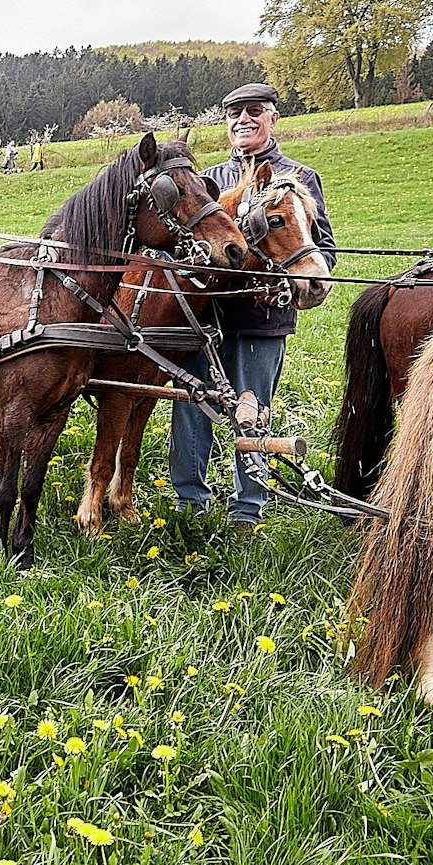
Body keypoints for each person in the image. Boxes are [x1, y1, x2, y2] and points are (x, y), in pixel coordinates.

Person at [168, 82, 336, 530]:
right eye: (234, 113)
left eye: (254, 111)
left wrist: (285, 286)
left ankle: (248, 511)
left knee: (253, 410)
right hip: (205, 321)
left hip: (263, 320)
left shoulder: (300, 177)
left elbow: (322, 252)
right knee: (191, 406)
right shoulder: (210, 182)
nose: (244, 119)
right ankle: (189, 504)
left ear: (273, 117)